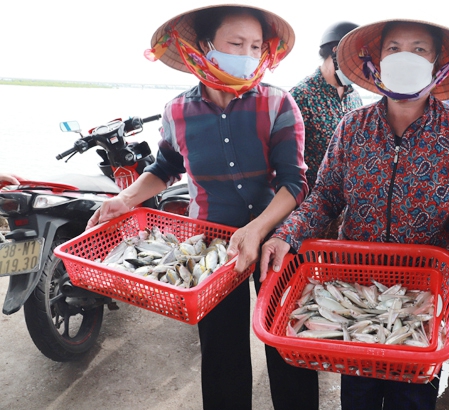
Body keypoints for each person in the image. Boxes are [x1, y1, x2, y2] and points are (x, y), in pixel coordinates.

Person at [259, 18, 449, 410]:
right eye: (394, 49)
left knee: (415, 395)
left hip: (425, 295)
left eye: (419, 49)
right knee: (358, 394)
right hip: (357, 287)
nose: (406, 57)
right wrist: (285, 234)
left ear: (440, 64)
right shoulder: (352, 126)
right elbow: (326, 195)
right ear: (377, 61)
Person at [86, 4, 318, 410]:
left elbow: (295, 183)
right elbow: (165, 168)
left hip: (277, 243)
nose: (247, 54)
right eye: (235, 43)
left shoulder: (279, 104)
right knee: (221, 352)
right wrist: (124, 198)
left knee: (289, 347)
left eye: (255, 46)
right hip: (211, 250)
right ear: (207, 46)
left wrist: (257, 230)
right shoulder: (178, 111)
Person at [289, 21, 363, 239]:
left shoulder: (354, 97)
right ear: (336, 52)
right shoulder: (302, 96)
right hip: (309, 207)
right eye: (355, 58)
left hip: (343, 209)